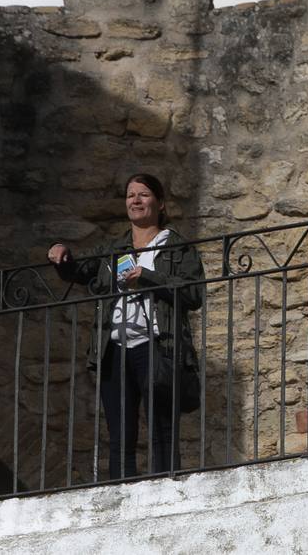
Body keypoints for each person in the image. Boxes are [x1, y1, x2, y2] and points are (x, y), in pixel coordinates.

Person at [47, 173, 205, 479]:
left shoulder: (176, 247)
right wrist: (61, 255)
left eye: (143, 194)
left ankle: (165, 488)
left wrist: (147, 277)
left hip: (159, 344)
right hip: (114, 346)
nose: (136, 200)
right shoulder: (115, 248)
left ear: (160, 203)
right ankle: (123, 492)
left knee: (161, 425)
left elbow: (193, 293)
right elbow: (81, 271)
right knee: (120, 432)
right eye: (131, 195)